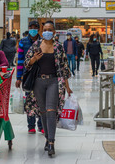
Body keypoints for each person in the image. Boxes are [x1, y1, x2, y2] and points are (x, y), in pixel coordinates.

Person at [24, 21, 73, 156]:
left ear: (54, 32)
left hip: (54, 82)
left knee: (51, 111)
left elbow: (64, 68)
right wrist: (34, 59)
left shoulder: (58, 47)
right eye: (45, 29)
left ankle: (51, 142)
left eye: (50, 29)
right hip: (38, 82)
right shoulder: (35, 46)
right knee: (43, 112)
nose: (47, 32)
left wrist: (67, 87)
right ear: (42, 31)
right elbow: (26, 64)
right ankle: (47, 138)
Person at [16, 20, 43, 134]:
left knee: (41, 101)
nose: (33, 29)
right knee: (29, 100)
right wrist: (18, 77)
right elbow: (20, 60)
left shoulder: (44, 42)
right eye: (31, 27)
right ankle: (31, 125)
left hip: (41, 75)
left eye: (35, 27)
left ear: (38, 29)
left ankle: (41, 125)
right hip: (28, 76)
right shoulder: (23, 42)